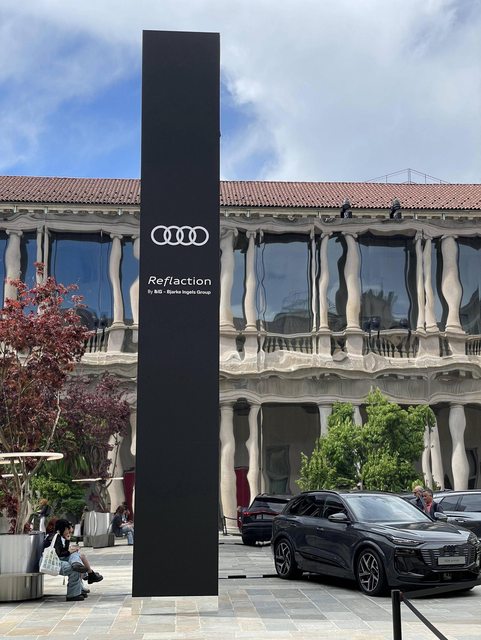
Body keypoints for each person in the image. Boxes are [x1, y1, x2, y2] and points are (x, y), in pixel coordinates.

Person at [43, 518, 103, 601]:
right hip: (52, 562)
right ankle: (74, 593)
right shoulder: (55, 537)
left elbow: (63, 551)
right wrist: (70, 551)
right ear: (63, 528)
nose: (68, 531)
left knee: (77, 557)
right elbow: (59, 553)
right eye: (67, 529)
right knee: (74, 567)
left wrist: (67, 541)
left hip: (57, 559)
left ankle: (84, 576)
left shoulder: (58, 536)